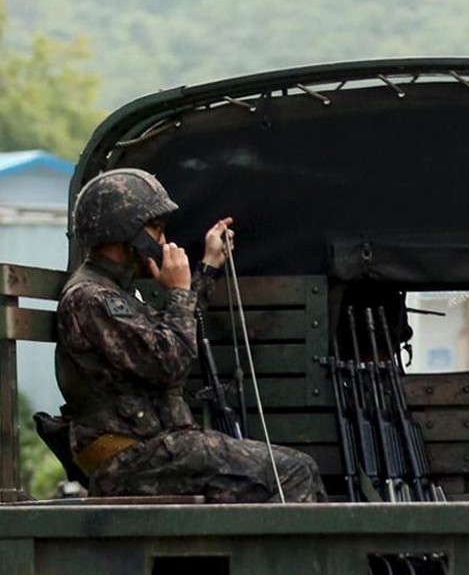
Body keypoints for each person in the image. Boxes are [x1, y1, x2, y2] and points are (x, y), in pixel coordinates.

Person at [55, 168, 326, 503]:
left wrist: (207, 268)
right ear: (125, 231)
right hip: (133, 458)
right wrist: (178, 292)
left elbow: (179, 332)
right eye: (155, 229)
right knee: (294, 472)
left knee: (297, 469)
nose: (163, 242)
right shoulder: (91, 298)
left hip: (155, 450)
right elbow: (171, 363)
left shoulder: (115, 294)